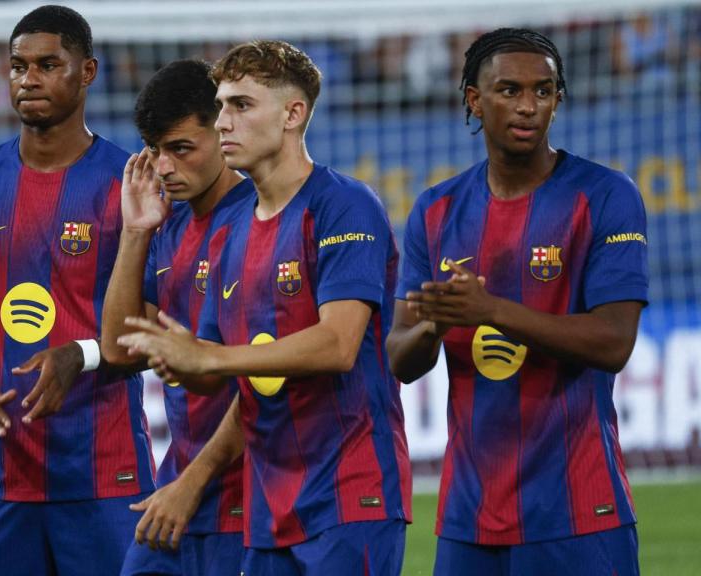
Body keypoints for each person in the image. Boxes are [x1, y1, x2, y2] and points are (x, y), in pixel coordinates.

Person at [118, 40, 410, 576]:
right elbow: (215, 374)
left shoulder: (344, 205)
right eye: (222, 106)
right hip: (268, 503)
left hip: (349, 494)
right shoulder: (234, 233)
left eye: (242, 106)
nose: (224, 121)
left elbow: (338, 345)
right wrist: (177, 356)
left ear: (293, 114)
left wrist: (210, 360)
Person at [386, 28, 647, 576]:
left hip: (579, 509)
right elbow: (399, 360)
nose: (529, 106)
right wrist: (436, 323)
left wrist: (492, 311)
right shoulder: (435, 211)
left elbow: (614, 342)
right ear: (474, 100)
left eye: (544, 90)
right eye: (509, 90)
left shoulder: (604, 196)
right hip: (469, 515)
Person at [0, 5, 153, 575]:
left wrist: (80, 355)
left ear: (87, 72)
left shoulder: (130, 185)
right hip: (0, 475)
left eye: (49, 64)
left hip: (106, 472)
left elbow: (151, 322)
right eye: (17, 66)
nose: (28, 79)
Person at [98, 59, 251, 576]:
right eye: (155, 149)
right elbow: (120, 349)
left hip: (251, 490)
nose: (164, 167)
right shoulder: (168, 225)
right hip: (179, 485)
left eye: (181, 148)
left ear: (225, 132)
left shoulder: (263, 220)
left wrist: (194, 481)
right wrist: (136, 230)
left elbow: (269, 382)